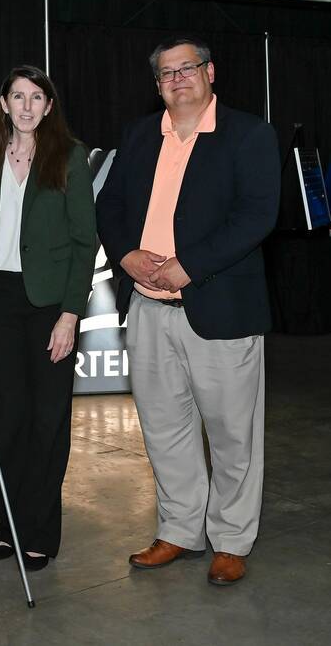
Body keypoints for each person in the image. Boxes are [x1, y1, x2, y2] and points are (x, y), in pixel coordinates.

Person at [96, 36, 280, 586]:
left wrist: (189, 266)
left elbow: (257, 216)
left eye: (188, 68)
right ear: (157, 85)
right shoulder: (138, 134)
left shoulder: (249, 134)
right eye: (167, 73)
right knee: (164, 429)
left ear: (210, 72)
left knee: (232, 435)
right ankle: (179, 530)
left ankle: (230, 539)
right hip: (149, 310)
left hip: (220, 306)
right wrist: (126, 253)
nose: (178, 79)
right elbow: (110, 203)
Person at [0, 65, 96, 571]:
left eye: (37, 97)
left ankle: (40, 534)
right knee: (10, 421)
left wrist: (70, 314)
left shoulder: (69, 157)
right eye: (17, 96)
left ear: (49, 106)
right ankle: (10, 526)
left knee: (48, 421)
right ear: (4, 103)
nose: (26, 106)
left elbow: (83, 241)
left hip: (50, 304)